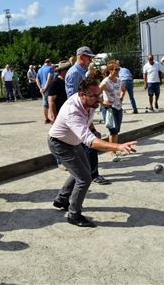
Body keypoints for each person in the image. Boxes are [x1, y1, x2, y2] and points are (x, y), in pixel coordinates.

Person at [49, 78, 137, 227]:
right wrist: (117, 146)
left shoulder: (91, 102)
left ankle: (62, 199)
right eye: (94, 96)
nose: (98, 99)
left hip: (73, 142)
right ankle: (74, 214)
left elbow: (87, 124)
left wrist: (94, 129)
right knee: (84, 179)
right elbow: (89, 141)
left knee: (85, 170)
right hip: (60, 144)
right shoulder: (73, 110)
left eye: (99, 95)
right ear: (81, 95)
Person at [65, 46, 111, 185]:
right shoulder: (74, 73)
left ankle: (87, 173)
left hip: (85, 112)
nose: (91, 59)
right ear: (81, 56)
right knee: (90, 144)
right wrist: (87, 121)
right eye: (88, 57)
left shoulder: (83, 71)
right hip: (79, 114)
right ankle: (92, 174)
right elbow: (72, 97)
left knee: (86, 146)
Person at [100, 61, 126, 162]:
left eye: (118, 69)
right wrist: (102, 103)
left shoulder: (119, 80)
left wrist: (121, 97)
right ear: (110, 70)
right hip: (110, 108)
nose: (118, 71)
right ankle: (112, 152)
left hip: (118, 107)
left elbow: (124, 89)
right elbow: (97, 91)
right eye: (116, 69)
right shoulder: (106, 81)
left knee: (117, 130)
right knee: (112, 130)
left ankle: (116, 149)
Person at [36, 59, 54, 124]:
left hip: (42, 89)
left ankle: (46, 118)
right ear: (49, 62)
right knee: (51, 103)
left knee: (45, 103)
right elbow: (49, 77)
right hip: (49, 88)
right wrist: (45, 87)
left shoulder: (39, 70)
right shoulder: (50, 68)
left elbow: (37, 79)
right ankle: (52, 118)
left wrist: (40, 88)